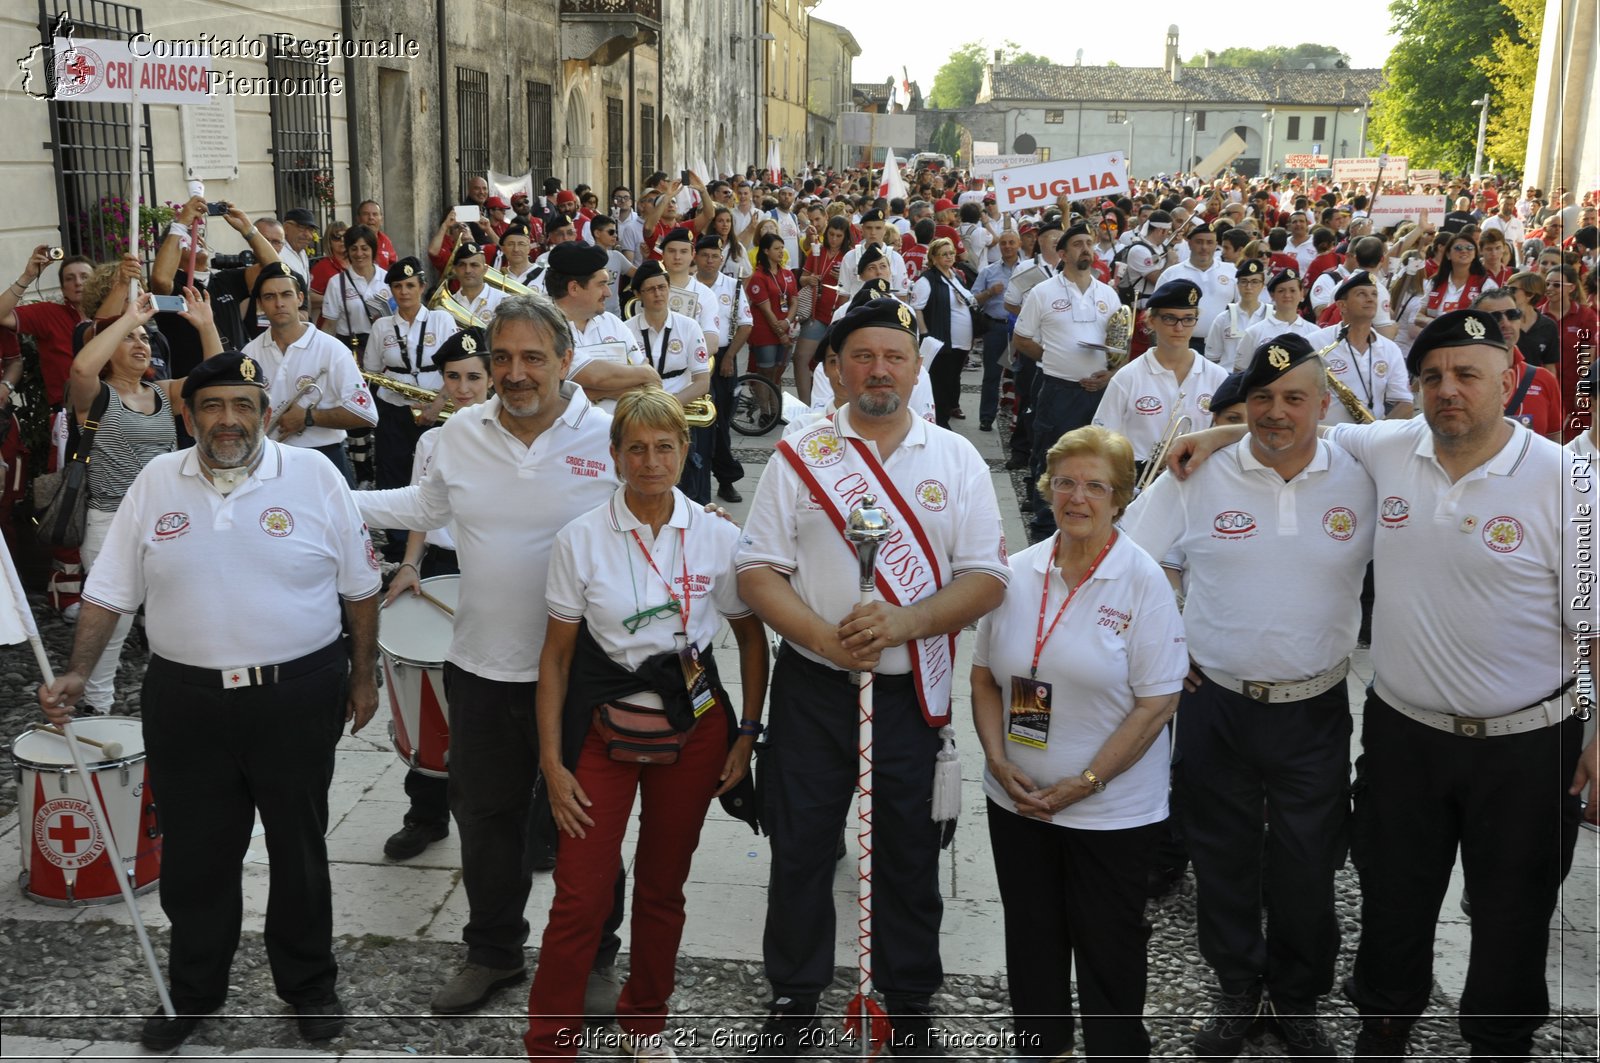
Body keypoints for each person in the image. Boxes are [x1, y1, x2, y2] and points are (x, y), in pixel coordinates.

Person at [1171, 309, 1599, 1062]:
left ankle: (1499, 1044)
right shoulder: (1389, 446)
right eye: (1432, 376)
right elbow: (1297, 428)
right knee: (1393, 898)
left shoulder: (1570, 482)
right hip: (1405, 734)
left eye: (1467, 373)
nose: (1448, 390)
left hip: (1529, 740)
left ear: (1510, 379)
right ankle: (1384, 1028)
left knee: (1514, 907)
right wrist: (1218, 436)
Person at [39, 351, 381, 1051]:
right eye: (214, 406)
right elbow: (109, 589)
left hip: (296, 695)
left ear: (264, 412)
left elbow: (360, 588)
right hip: (186, 702)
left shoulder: (314, 476)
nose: (229, 421)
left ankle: (310, 984)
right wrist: (77, 671)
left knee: (299, 849)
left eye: (244, 405)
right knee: (196, 857)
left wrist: (364, 674)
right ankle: (192, 990)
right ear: (190, 414)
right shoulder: (157, 480)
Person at [737, 299, 1010, 1056]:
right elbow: (757, 569)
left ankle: (910, 999)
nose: (879, 370)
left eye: (894, 356)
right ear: (835, 366)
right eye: (863, 356)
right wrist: (826, 634)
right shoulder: (802, 450)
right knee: (798, 845)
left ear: (917, 368)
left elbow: (987, 578)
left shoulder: (954, 460)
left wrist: (905, 622)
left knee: (908, 851)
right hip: (814, 686)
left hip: (908, 690)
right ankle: (795, 996)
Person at [354, 295, 626, 1016]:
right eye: (501, 357)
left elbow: (655, 526)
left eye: (533, 356)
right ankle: (494, 952)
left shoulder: (607, 436)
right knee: (485, 818)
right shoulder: (459, 434)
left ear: (566, 361)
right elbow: (423, 508)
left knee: (587, 823)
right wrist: (333, 498)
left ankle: (596, 955)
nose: (514, 372)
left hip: (582, 673)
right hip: (480, 664)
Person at [1121, 332, 1376, 1059]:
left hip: (1314, 706)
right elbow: (1136, 566)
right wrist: (1170, 644)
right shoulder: (1196, 473)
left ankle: (1296, 997)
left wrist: (1221, 423)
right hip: (1218, 703)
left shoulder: (1361, 470)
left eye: (1295, 397)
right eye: (1261, 398)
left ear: (1324, 404)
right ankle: (1237, 987)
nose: (1276, 412)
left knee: (1308, 861)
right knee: (1223, 855)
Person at [525, 388, 769, 1061]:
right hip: (603, 735)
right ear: (615, 455)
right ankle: (550, 1042)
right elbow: (556, 657)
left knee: (663, 888)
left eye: (665, 446)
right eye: (636, 447)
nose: (651, 460)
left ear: (686, 452)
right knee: (580, 895)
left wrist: (747, 732)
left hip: (695, 739)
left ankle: (645, 1024)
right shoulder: (581, 539)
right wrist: (552, 763)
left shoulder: (718, 535)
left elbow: (752, 640)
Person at [973, 425, 1186, 1061]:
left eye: (1096, 485)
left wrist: (1086, 784)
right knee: (1032, 936)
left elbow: (1158, 704)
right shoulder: (1015, 573)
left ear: (1120, 498)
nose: (1078, 497)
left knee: (1108, 944)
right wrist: (996, 758)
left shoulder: (1142, 581)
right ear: (1047, 489)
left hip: (1111, 813)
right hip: (1017, 798)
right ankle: (1043, 1048)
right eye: (1065, 482)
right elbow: (985, 678)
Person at [67, 288, 222, 712]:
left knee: (173, 614)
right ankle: (95, 705)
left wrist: (206, 325)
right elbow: (81, 367)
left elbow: (215, 379)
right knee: (111, 622)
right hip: (109, 523)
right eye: (131, 339)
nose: (142, 345)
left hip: (167, 522)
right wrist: (127, 318)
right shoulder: (95, 396)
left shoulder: (163, 393)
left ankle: (177, 699)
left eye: (147, 339)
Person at [382, 327, 491, 859]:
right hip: (446, 564)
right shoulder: (431, 441)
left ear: (492, 378)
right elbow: (420, 512)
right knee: (431, 687)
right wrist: (409, 564)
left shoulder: (510, 435)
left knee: (501, 697)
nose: (464, 387)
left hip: (495, 570)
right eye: (453, 378)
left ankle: (530, 818)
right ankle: (426, 813)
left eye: (474, 377)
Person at [1014, 223, 1122, 538]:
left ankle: (1088, 524)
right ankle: (1045, 529)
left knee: (1096, 461)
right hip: (1058, 391)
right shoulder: (1043, 292)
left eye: (1089, 242)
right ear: (1062, 253)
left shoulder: (1108, 294)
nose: (1086, 248)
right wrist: (1051, 359)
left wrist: (1110, 374)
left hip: (1099, 394)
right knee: (1052, 458)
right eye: (1077, 243)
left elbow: (1119, 346)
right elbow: (1021, 339)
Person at [364, 257, 457, 557]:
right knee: (394, 473)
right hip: (395, 409)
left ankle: (437, 538)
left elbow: (455, 368)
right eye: (397, 286)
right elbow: (373, 370)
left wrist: (437, 403)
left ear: (422, 287)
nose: (403, 292)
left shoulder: (442, 320)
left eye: (409, 285)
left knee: (437, 473)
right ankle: (397, 543)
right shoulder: (381, 326)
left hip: (436, 407)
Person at [1094, 279, 1229, 475]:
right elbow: (1102, 437)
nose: (1179, 328)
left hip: (1197, 477)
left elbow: (1225, 437)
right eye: (1170, 318)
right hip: (1138, 480)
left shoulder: (1217, 376)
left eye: (1188, 318)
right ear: (1151, 320)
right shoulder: (1127, 377)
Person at [626, 262, 711, 501]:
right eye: (651, 289)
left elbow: (702, 382)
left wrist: (667, 408)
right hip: (639, 415)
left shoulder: (689, 326)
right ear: (638, 294)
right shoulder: (625, 330)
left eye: (663, 287)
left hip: (678, 413)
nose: (658, 294)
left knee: (686, 483)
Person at [690, 235, 753, 504]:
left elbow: (745, 324)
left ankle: (726, 480)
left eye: (715, 256)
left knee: (722, 423)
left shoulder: (733, 286)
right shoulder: (687, 287)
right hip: (694, 360)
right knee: (701, 424)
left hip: (724, 359)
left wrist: (730, 358)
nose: (710, 261)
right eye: (704, 255)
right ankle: (697, 477)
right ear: (696, 257)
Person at [1309, 271, 1413, 424]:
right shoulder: (1315, 342)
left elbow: (1405, 404)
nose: (1370, 299)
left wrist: (1376, 434)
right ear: (1342, 305)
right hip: (1327, 439)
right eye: (1361, 294)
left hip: (1370, 440)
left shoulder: (1390, 349)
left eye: (1374, 294)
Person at [1471, 288, 1563, 440]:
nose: (1505, 323)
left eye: (1512, 314)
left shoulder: (1544, 379)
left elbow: (1555, 442)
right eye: (1494, 318)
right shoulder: (1462, 380)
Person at [911, 237, 978, 428]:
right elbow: (917, 308)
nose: (949, 257)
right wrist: (925, 334)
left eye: (951, 253)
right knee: (940, 383)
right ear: (933, 258)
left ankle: (946, 413)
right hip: (943, 342)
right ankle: (940, 421)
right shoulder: (927, 280)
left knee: (952, 380)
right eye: (944, 254)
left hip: (960, 343)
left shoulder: (954, 275)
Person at [795, 216, 851, 408]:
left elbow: (854, 286)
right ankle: (805, 405)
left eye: (839, 236)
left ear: (845, 237)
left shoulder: (849, 256)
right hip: (815, 313)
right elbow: (801, 279)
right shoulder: (817, 252)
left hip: (838, 315)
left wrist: (843, 277)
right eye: (831, 235)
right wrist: (809, 279)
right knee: (801, 357)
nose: (834, 239)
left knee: (836, 363)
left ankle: (835, 405)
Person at [1158, 223, 1236, 357]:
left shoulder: (1231, 272)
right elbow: (1157, 311)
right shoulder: (1172, 274)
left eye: (1209, 242)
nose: (1204, 247)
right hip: (1183, 345)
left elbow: (1242, 308)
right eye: (1199, 242)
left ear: (1216, 245)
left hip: (1223, 346)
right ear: (1189, 244)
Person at [971, 227, 1022, 432]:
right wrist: (990, 292)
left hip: (1020, 331)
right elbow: (973, 299)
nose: (1007, 246)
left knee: (1020, 376)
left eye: (1011, 242)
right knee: (992, 375)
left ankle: (1017, 419)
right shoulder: (988, 271)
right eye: (1003, 243)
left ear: (1018, 245)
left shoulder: (1028, 269)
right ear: (998, 246)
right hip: (996, 328)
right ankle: (986, 417)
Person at [317, 224, 391, 355]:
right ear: (348, 251)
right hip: (351, 351)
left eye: (364, 248)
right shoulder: (336, 283)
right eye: (354, 249)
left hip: (384, 348)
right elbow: (329, 325)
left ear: (373, 250)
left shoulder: (388, 279)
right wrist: (320, 355)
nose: (359, 254)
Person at [746, 232, 799, 401]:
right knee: (765, 371)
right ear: (766, 251)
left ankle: (777, 409)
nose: (781, 251)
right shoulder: (758, 277)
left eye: (782, 247)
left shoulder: (788, 274)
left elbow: (794, 301)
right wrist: (781, 333)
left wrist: (787, 321)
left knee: (778, 371)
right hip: (765, 331)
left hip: (784, 325)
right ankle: (765, 412)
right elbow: (766, 310)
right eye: (777, 248)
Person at [1237, 269, 1317, 371]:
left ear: (1302, 294)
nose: (1287, 295)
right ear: (1272, 295)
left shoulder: (1314, 332)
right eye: (1281, 291)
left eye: (1292, 290)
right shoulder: (1254, 332)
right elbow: (1240, 372)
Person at [1413, 233, 1496, 329]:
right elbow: (1418, 317)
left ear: (1474, 254)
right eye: (1458, 248)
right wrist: (1436, 322)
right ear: (1448, 254)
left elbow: (1493, 319)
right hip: (1437, 340)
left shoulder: (1486, 284)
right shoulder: (1435, 282)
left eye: (1469, 248)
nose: (1464, 251)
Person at [1204, 258, 1268, 371]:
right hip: (1229, 377)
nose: (1249, 287)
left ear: (1262, 285)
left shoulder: (1272, 317)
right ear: (1237, 285)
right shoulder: (1223, 318)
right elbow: (1212, 358)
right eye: (1244, 281)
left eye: (1254, 282)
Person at [357, 199, 399, 268]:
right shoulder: (351, 240)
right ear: (358, 218)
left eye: (375, 214)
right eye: (366, 214)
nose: (371, 218)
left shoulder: (385, 241)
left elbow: (394, 267)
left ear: (381, 219)